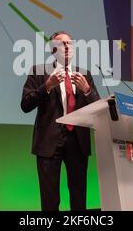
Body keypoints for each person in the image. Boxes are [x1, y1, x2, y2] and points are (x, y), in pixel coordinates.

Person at [20, 31, 100, 211]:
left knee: (79, 197)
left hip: (77, 141)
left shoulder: (84, 74)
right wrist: (47, 86)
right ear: (52, 49)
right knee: (50, 199)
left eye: (70, 44)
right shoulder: (39, 71)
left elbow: (98, 109)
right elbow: (25, 105)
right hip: (49, 142)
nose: (67, 47)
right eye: (62, 43)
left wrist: (87, 90)